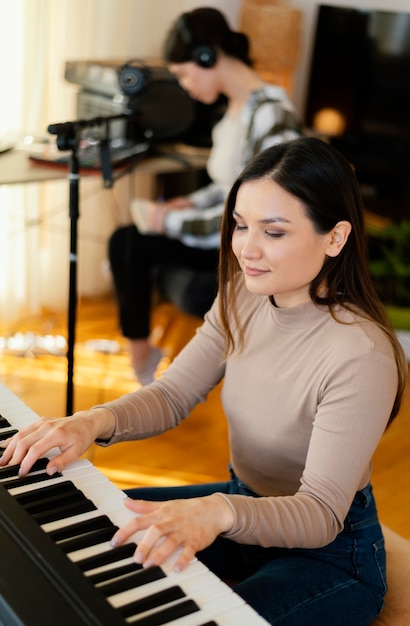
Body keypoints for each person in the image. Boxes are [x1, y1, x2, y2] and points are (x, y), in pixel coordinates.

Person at [1, 137, 408, 625]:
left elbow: (320, 514)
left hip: (330, 554)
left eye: (273, 232)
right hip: (241, 509)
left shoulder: (361, 354)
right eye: (240, 225)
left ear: (336, 238)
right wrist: (91, 421)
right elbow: (174, 393)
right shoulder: (243, 293)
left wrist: (217, 512)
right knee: (80, 530)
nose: (246, 248)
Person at [109, 7, 301, 385]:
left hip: (239, 246)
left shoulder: (272, 115)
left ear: (206, 56)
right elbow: (229, 184)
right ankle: (142, 358)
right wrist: (190, 204)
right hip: (216, 238)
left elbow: (256, 213)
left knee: (146, 250)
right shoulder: (232, 112)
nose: (183, 85)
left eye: (182, 73)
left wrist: (170, 220)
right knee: (126, 242)